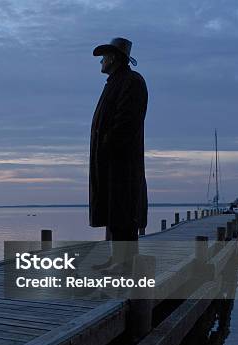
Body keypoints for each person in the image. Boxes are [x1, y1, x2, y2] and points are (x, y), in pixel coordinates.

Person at [89, 38, 148, 268]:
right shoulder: (115, 82)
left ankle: (125, 264)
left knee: (124, 212)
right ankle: (117, 259)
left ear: (113, 58)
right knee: (114, 213)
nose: (101, 62)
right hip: (109, 162)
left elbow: (126, 122)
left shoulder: (132, 81)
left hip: (122, 164)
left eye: (104, 57)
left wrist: (108, 143)